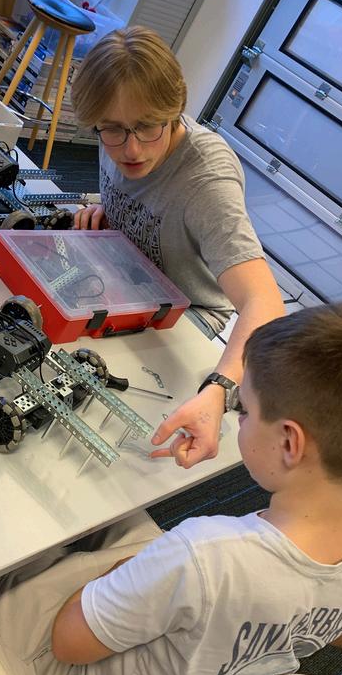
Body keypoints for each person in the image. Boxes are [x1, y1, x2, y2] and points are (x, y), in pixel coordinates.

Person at [0, 302, 342, 675]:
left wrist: (121, 575)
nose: (238, 419)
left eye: (245, 410)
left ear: (289, 443)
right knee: (128, 524)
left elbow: (68, 643)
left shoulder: (205, 552)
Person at [68, 26, 285, 469]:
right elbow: (147, 202)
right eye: (112, 129)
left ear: (175, 111)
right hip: (127, 283)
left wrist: (220, 388)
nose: (131, 149)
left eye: (147, 127)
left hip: (188, 322)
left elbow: (265, 303)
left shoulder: (207, 180)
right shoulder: (116, 133)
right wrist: (109, 212)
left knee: (122, 447)